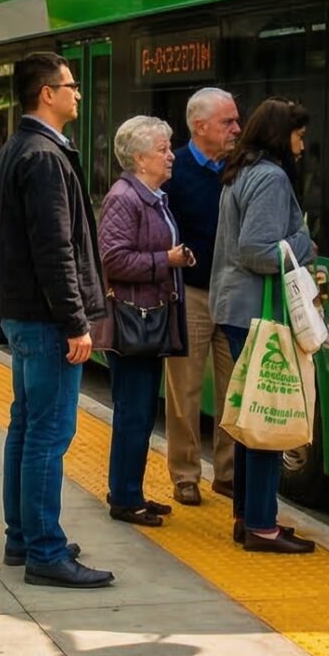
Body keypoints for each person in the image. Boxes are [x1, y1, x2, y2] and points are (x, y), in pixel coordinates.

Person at [0, 50, 113, 587]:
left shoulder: (19, 147)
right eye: (71, 86)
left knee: (25, 425)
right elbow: (55, 249)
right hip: (46, 319)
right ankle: (45, 550)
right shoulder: (44, 156)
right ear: (47, 93)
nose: (78, 93)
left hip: (23, 313)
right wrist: (75, 321)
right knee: (49, 433)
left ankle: (23, 537)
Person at [209, 97, 321, 555]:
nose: (302, 146)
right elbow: (255, 249)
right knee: (269, 414)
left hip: (235, 308)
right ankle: (261, 525)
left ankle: (248, 516)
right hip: (258, 311)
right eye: (298, 136)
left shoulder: (240, 172)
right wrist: (304, 243)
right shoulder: (271, 178)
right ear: (280, 135)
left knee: (251, 415)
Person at [96, 115, 190, 528]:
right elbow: (113, 259)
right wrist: (165, 260)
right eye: (163, 150)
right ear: (139, 159)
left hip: (149, 319)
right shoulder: (125, 198)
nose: (172, 156)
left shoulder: (151, 196)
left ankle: (129, 491)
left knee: (140, 410)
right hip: (134, 322)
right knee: (133, 411)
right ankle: (124, 498)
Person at [163, 87, 240, 505]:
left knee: (235, 389)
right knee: (185, 390)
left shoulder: (239, 167)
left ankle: (228, 473)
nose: (236, 129)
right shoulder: (173, 169)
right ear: (200, 126)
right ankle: (185, 475)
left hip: (232, 294)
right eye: (228, 121)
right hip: (190, 293)